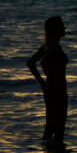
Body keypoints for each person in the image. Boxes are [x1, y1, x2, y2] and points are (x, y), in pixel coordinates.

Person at [27, 16, 68, 144]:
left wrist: (42, 82)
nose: (64, 28)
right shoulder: (52, 48)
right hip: (57, 90)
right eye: (61, 25)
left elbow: (31, 63)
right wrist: (42, 82)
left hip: (52, 89)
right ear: (55, 29)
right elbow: (30, 63)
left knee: (51, 125)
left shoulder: (49, 46)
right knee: (57, 127)